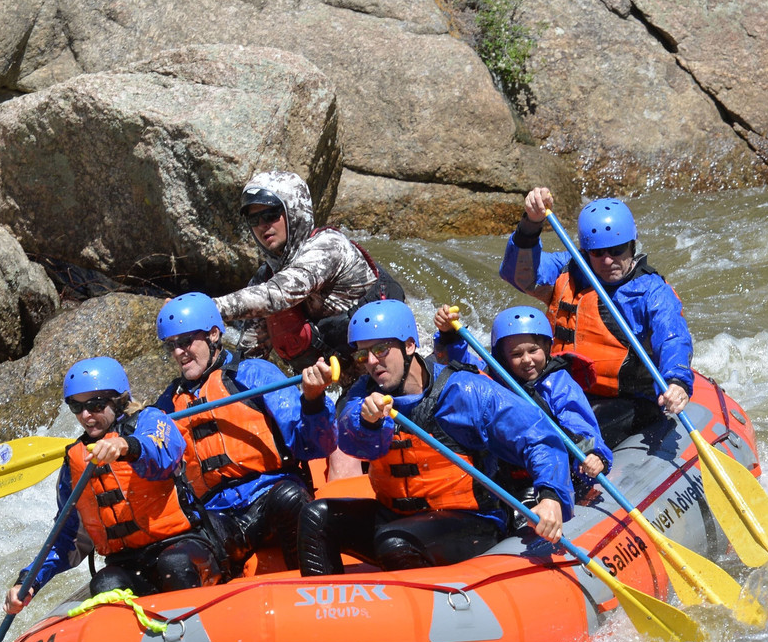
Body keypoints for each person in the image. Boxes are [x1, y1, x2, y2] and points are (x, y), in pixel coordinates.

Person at [296, 299, 574, 576]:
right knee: (316, 516)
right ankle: (325, 609)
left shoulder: (463, 390)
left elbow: (537, 436)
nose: (371, 362)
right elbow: (351, 443)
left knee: (395, 542)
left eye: (381, 349)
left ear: (409, 346)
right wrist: (316, 401)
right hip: (395, 519)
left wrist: (550, 496)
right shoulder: (361, 396)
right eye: (362, 355)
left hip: (471, 522)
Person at [216, 170, 401, 479]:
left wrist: (209, 309)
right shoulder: (264, 278)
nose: (264, 226)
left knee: (344, 456)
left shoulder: (328, 247)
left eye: (272, 214)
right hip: (330, 390)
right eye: (255, 220)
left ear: (293, 210)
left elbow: (278, 295)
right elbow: (250, 359)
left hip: (385, 377)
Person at [4, 357, 223, 614]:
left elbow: (164, 454)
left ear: (119, 401)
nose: (86, 415)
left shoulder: (150, 420)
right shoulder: (76, 461)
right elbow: (66, 538)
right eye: (76, 406)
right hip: (128, 562)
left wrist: (127, 446)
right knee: (105, 583)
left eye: (95, 404)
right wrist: (29, 581)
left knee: (173, 564)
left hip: (185, 544)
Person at [154, 292, 338, 573]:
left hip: (270, 498)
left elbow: (312, 445)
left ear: (213, 335)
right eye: (172, 345)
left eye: (186, 341)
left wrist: (313, 400)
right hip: (217, 515)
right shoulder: (168, 404)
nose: (179, 352)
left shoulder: (254, 375)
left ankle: (319, 592)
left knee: (290, 497)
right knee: (176, 555)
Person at [499, 189, 694, 446]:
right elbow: (520, 275)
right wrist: (530, 224)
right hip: (563, 389)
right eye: (598, 252)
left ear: (632, 246)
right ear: (586, 251)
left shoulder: (652, 292)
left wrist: (676, 381)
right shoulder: (568, 270)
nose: (607, 260)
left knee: (565, 435)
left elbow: (673, 338)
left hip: (627, 400)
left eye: (617, 250)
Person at [433, 304, 612, 489]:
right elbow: (459, 366)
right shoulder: (492, 378)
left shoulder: (559, 383)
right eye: (516, 354)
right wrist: (449, 334)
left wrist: (594, 455)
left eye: (533, 350)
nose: (527, 360)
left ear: (546, 346)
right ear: (502, 357)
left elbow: (578, 424)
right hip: (504, 474)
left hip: (552, 470)